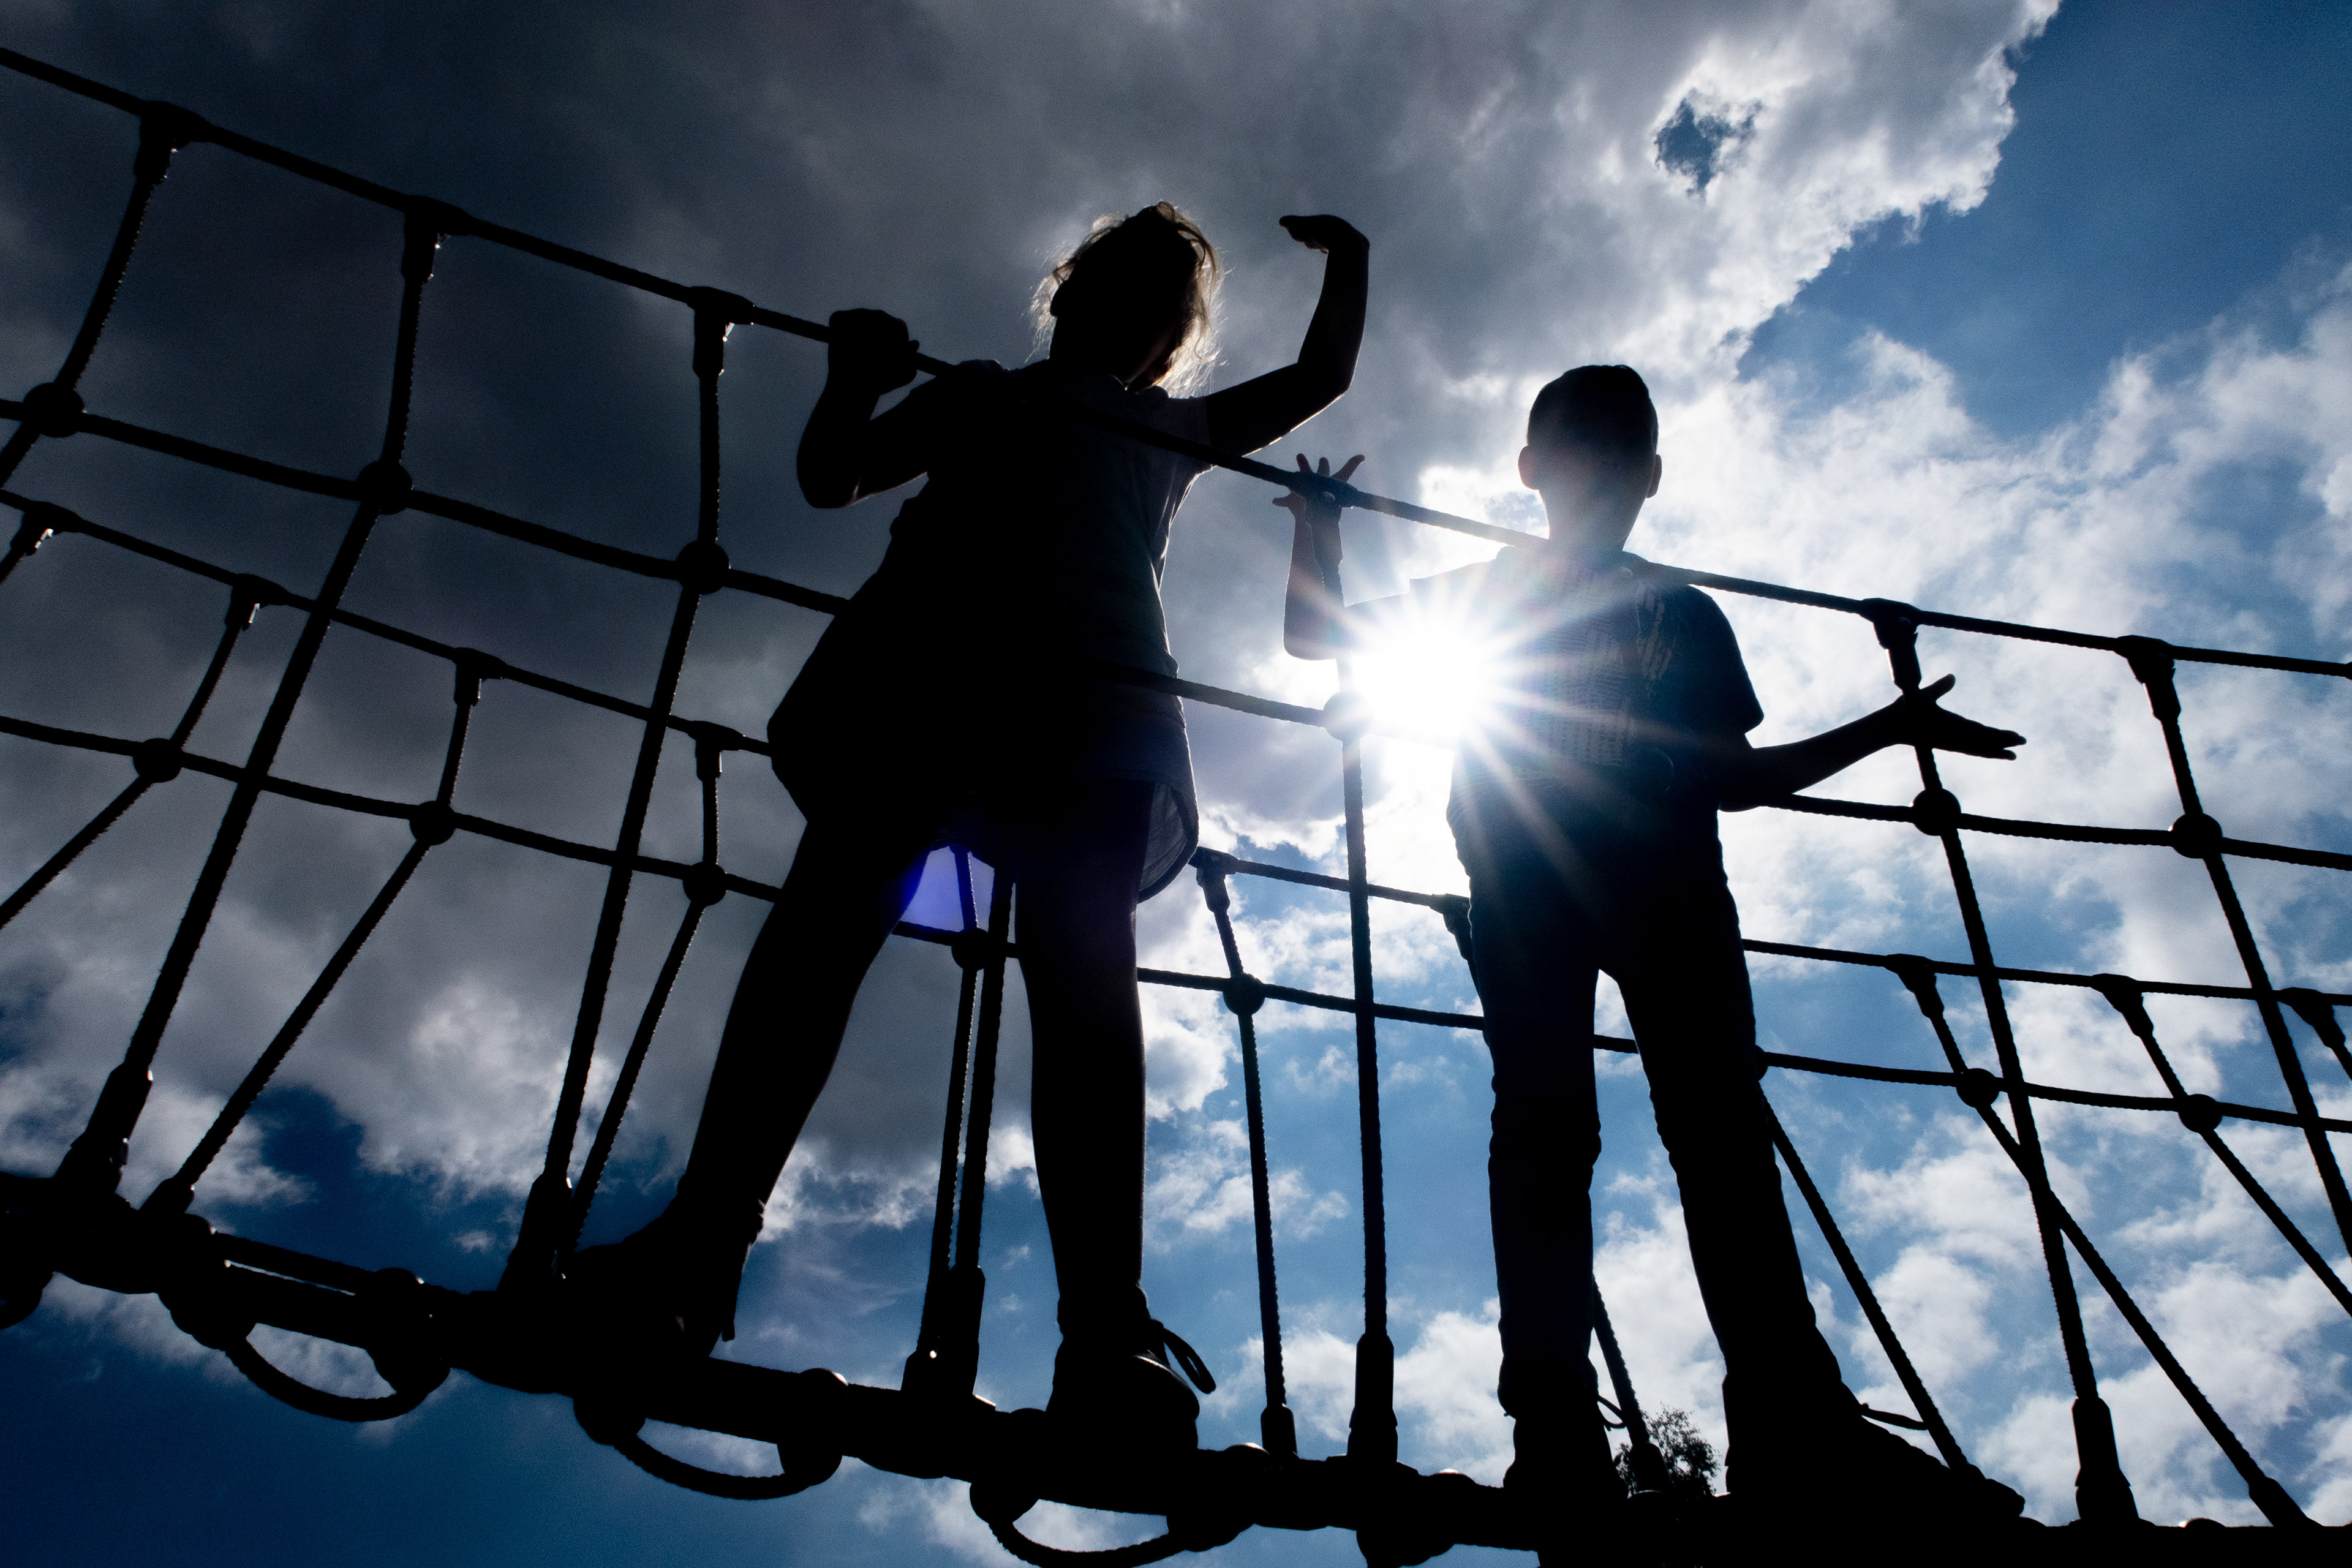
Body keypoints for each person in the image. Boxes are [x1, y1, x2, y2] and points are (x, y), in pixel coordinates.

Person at [573, 203, 1368, 1453]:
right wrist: (851, 382)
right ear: (1065, 295)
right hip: (928, 671)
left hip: (1084, 695)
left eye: (1162, 306)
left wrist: (1352, 261)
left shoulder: (1168, 427)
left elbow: (1322, 378)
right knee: (825, 927)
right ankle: (702, 1241)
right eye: (1119, 282)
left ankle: (1104, 1326)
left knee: (1082, 986)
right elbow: (838, 474)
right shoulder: (983, 392)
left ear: (1168, 347)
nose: (1136, 312)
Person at [1278, 366, 2027, 1522]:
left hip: (1651, 884)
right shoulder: (1509, 599)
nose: (1607, 470)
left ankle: (1776, 1421)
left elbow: (1737, 779)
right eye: (1588, 447)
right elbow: (1316, 636)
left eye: (1619, 451)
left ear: (1652, 477)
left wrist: (1889, 728)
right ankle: (1573, 1425)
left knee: (1690, 1131)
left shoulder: (1679, 611)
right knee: (1577, 1126)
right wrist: (1318, 529)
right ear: (1530, 471)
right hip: (1556, 878)